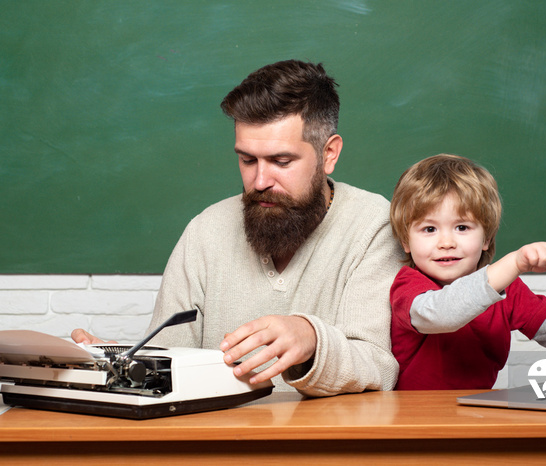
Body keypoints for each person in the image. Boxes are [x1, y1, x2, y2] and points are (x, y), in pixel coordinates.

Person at [72, 60, 404, 396]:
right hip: (217, 442)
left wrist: (311, 339)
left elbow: (378, 366)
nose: (259, 181)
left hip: (327, 445)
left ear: (329, 153)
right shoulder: (205, 231)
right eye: (247, 160)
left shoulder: (374, 226)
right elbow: (171, 364)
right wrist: (121, 366)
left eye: (281, 161)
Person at [388, 154, 546, 390]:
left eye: (462, 227)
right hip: (412, 419)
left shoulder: (507, 287)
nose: (446, 242)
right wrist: (514, 264)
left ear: (486, 237)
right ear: (406, 241)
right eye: (429, 229)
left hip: (476, 414)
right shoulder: (407, 286)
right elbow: (442, 314)